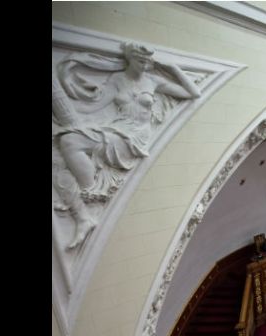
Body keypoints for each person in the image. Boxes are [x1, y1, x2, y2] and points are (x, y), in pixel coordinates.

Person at [53, 42, 201, 249]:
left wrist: (173, 68)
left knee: (70, 141)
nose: (144, 65)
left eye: (148, 62)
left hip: (135, 137)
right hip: (116, 130)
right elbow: (95, 106)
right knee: (67, 141)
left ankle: (91, 193)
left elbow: (193, 93)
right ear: (129, 59)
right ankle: (87, 204)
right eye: (140, 61)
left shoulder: (153, 81)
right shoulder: (117, 80)